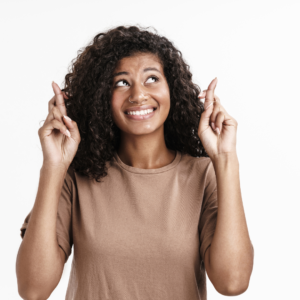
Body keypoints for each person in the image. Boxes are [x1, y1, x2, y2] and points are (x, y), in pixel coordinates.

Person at [16, 25, 254, 300]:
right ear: (102, 96)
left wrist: (225, 159)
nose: (138, 94)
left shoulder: (204, 175)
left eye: (151, 78)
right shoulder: (75, 177)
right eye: (122, 82)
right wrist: (53, 167)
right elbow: (33, 289)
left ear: (172, 89)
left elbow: (233, 282)